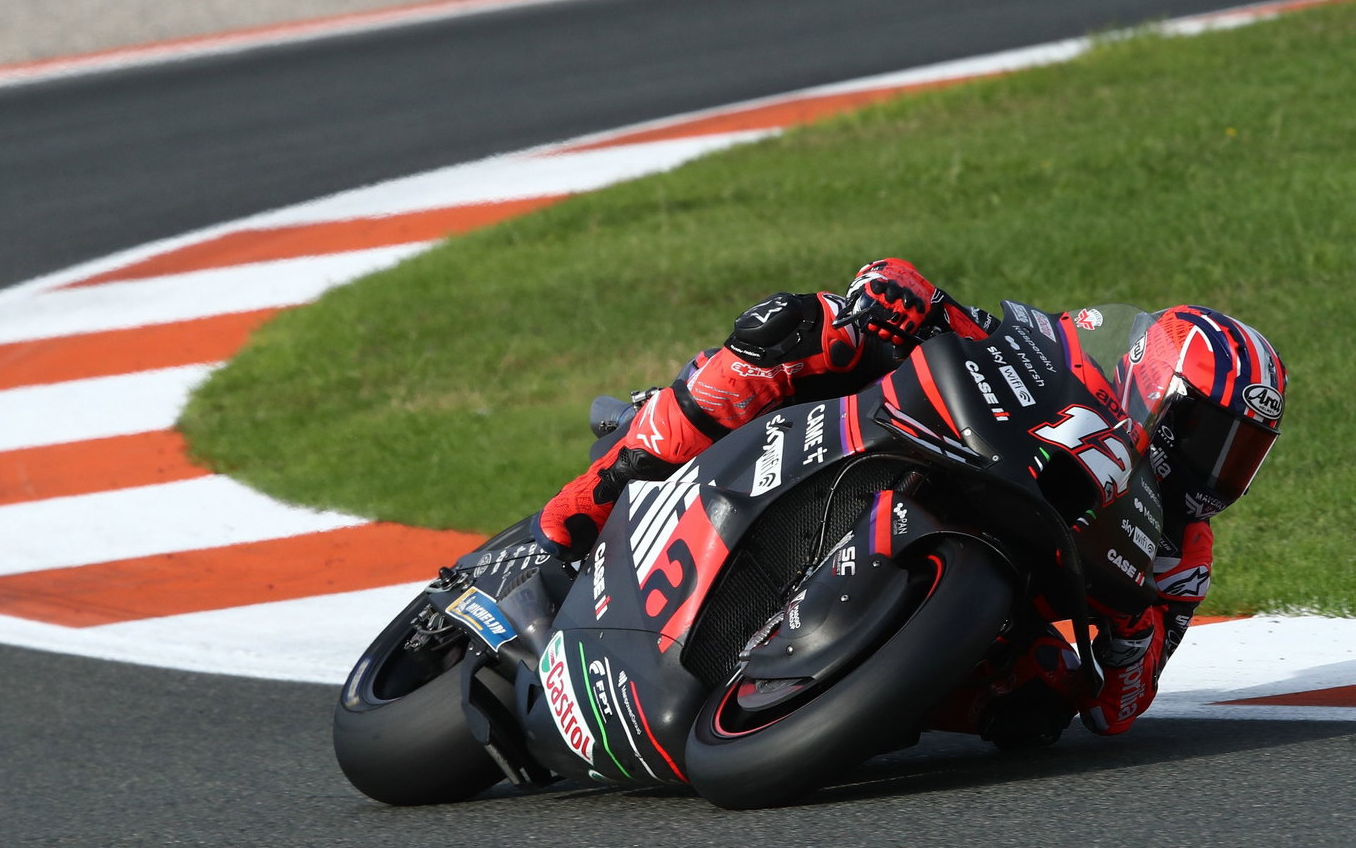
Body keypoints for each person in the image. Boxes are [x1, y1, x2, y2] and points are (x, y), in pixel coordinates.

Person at [531, 259, 1286, 742]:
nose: (1215, 469)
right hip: (902, 435)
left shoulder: (1182, 552)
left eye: (1240, 454)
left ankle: (843, 703)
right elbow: (951, 314)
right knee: (805, 329)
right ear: (1156, 387)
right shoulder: (1069, 365)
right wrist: (903, 297)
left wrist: (1127, 630)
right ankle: (582, 508)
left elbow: (1121, 708)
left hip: (1001, 575)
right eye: (1208, 436)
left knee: (1037, 708)